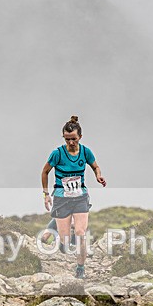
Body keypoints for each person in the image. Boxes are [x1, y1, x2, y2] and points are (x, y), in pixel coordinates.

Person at [41, 115, 106, 278]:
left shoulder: (85, 152)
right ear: (63, 137)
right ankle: (56, 224)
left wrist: (98, 175)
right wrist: (46, 194)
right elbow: (45, 172)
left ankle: (80, 268)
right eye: (67, 139)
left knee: (80, 233)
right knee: (65, 242)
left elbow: (95, 166)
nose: (71, 142)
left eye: (74, 139)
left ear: (80, 137)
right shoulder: (57, 154)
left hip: (80, 197)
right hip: (62, 198)